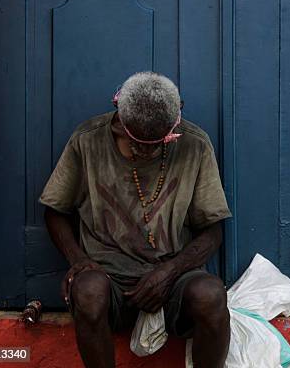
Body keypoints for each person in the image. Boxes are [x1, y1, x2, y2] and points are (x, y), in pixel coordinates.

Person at [40, 72, 232, 368]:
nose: (145, 151)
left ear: (176, 120)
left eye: (156, 144)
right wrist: (78, 261)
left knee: (211, 295)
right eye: (136, 142)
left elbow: (213, 230)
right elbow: (55, 210)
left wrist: (169, 272)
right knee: (88, 290)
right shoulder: (87, 140)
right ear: (119, 116)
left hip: (173, 276)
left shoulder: (195, 145)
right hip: (108, 278)